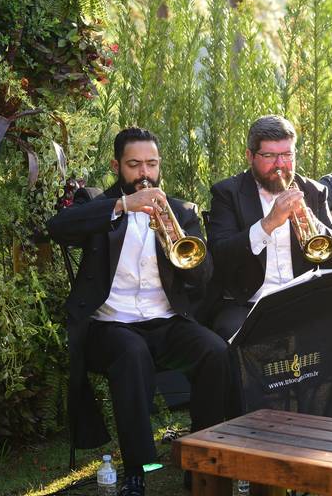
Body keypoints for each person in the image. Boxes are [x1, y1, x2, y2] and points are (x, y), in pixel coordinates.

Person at [48, 128, 227, 496]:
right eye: (134, 165)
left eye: (151, 163)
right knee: (131, 353)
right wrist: (123, 205)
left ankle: (200, 458)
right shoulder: (98, 203)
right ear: (117, 165)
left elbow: (204, 280)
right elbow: (57, 228)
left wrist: (183, 247)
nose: (144, 173)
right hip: (109, 326)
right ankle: (137, 468)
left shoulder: (180, 211)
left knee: (216, 352)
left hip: (165, 322)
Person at [206, 115, 332, 418]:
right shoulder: (227, 192)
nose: (281, 165)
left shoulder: (313, 191)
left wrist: (314, 223)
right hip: (248, 302)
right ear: (250, 156)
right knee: (229, 334)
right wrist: (267, 224)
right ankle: (242, 428)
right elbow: (220, 255)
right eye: (270, 156)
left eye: (287, 155)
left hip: (301, 299)